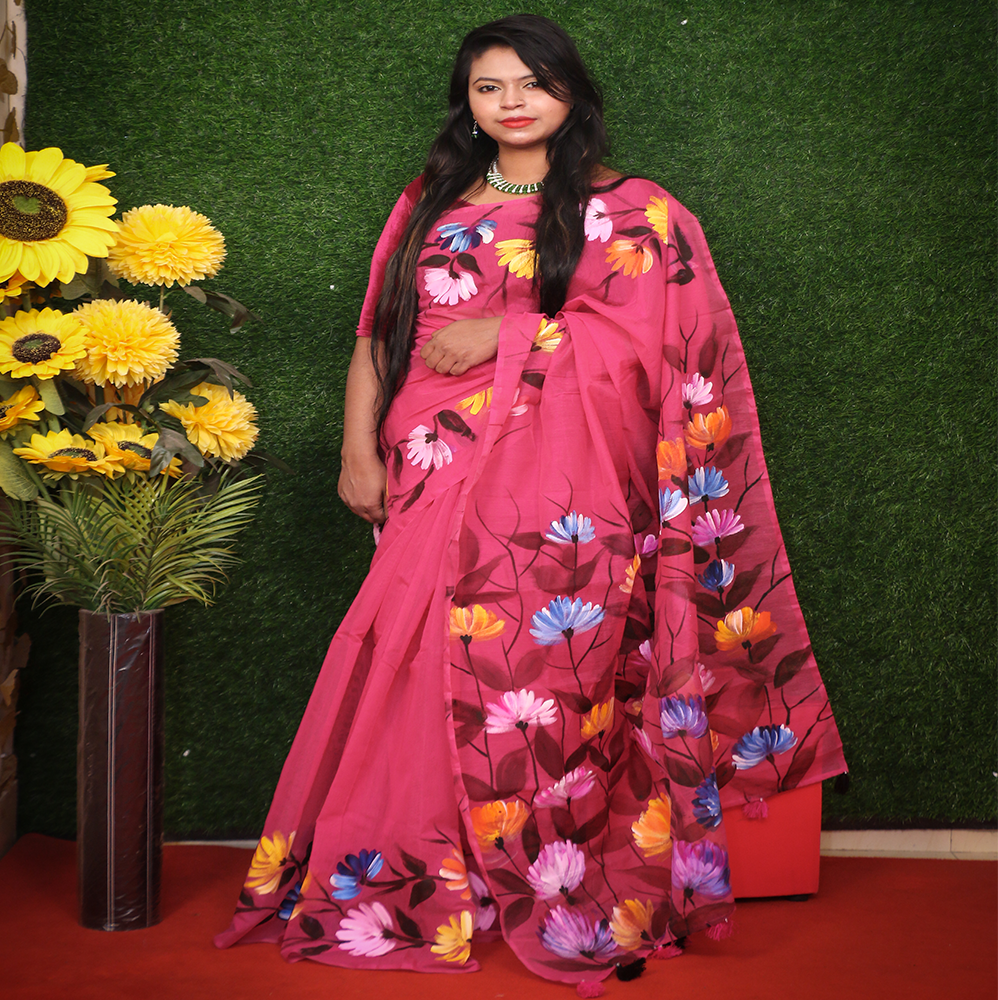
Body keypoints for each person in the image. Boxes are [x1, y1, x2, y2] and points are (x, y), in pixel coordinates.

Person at [216, 15, 846, 984]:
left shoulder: (632, 211)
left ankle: (531, 860)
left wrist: (515, 331)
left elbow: (660, 344)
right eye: (488, 87)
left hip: (558, 482)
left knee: (536, 668)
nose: (510, 103)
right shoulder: (427, 201)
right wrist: (356, 449)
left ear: (571, 93)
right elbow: (376, 334)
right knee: (418, 654)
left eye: (531, 83)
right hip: (428, 458)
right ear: (465, 103)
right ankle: (428, 872)